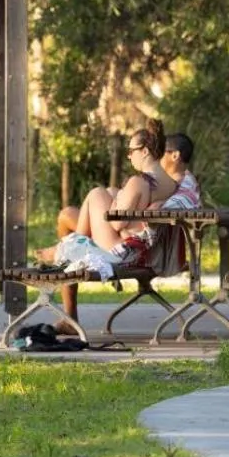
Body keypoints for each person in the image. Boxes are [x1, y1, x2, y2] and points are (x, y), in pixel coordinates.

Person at [39, 129, 198, 327]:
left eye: (131, 151)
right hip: (139, 246)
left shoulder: (171, 186)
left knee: (96, 194)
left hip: (132, 252)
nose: (129, 156)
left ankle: (69, 250)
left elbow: (124, 222)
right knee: (70, 213)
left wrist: (121, 208)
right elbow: (147, 216)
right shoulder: (178, 185)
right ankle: (69, 309)